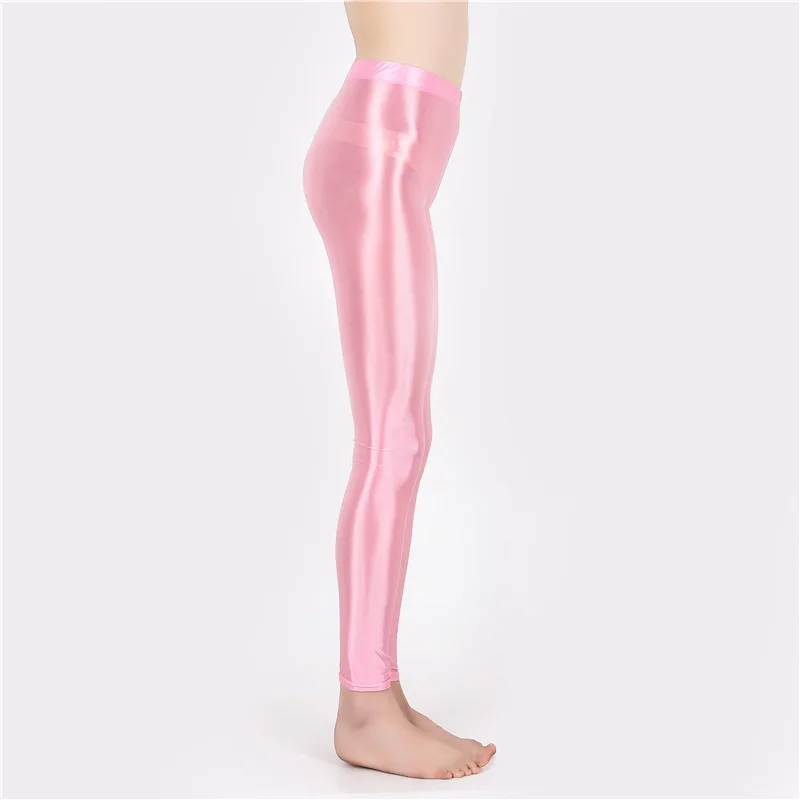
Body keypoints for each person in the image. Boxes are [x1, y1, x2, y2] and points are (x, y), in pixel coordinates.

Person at [303, 0, 496, 779]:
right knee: (394, 440)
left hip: (395, 151)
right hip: (380, 152)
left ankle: (383, 689)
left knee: (405, 436)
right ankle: (364, 709)